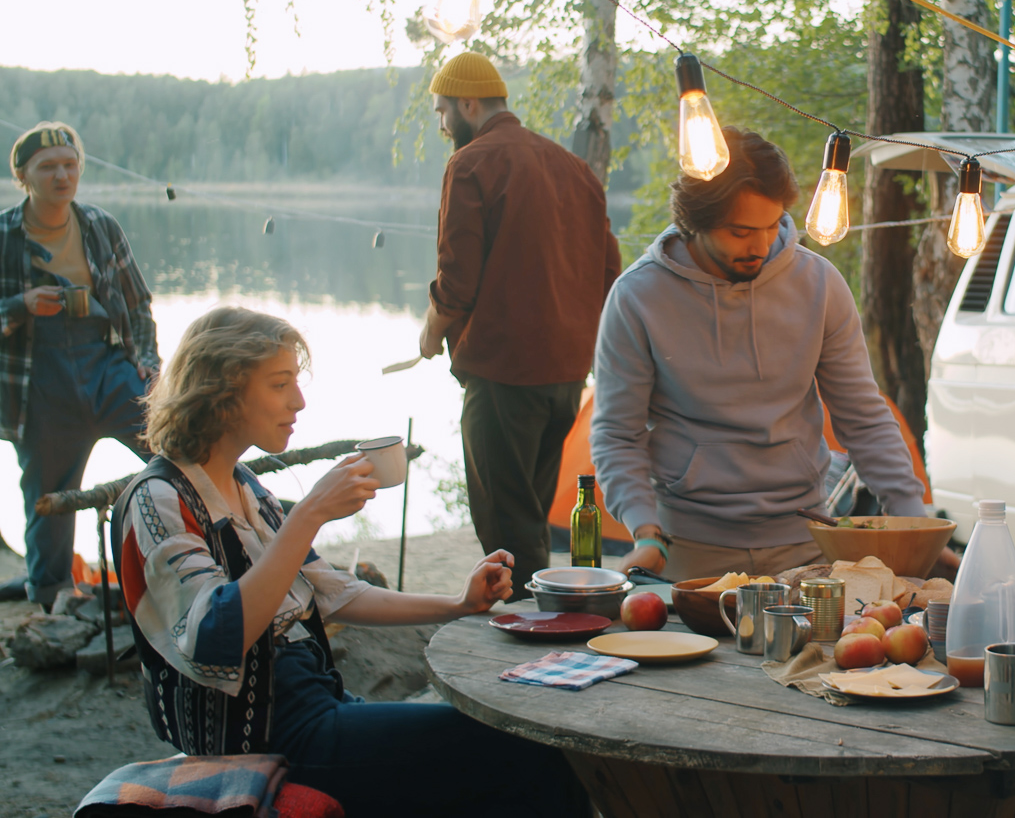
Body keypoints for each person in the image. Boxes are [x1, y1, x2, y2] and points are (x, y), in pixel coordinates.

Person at [115, 307, 588, 817]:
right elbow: (214, 637)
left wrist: (457, 603)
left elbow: (334, 592)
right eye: (279, 385)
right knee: (524, 748)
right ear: (222, 391)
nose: (298, 401)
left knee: (515, 745)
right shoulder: (158, 499)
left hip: (319, 706)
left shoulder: (246, 486)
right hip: (266, 736)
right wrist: (310, 514)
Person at [591, 127, 928, 581]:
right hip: (685, 549)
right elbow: (617, 433)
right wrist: (644, 532)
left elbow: (864, 418)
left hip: (807, 541)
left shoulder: (820, 284)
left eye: (773, 226)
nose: (762, 246)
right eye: (741, 231)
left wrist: (913, 524)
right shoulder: (637, 296)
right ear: (697, 222)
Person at [417, 52, 621, 594]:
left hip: (503, 372)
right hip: (565, 379)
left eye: (442, 112)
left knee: (508, 530)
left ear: (468, 103)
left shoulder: (471, 163)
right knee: (530, 517)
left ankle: (537, 634)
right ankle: (549, 623)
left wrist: (431, 330)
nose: (441, 125)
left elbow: (456, 279)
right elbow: (608, 272)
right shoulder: (575, 169)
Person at [0, 121, 159, 607]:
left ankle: (220, 554)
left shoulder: (99, 225)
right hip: (39, 378)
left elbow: (136, 304)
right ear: (24, 176)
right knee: (48, 498)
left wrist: (149, 365)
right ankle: (51, 597)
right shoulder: (5, 236)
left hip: (107, 366)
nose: (62, 175)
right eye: (48, 167)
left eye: (70, 165)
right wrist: (21, 305)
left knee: (179, 453)